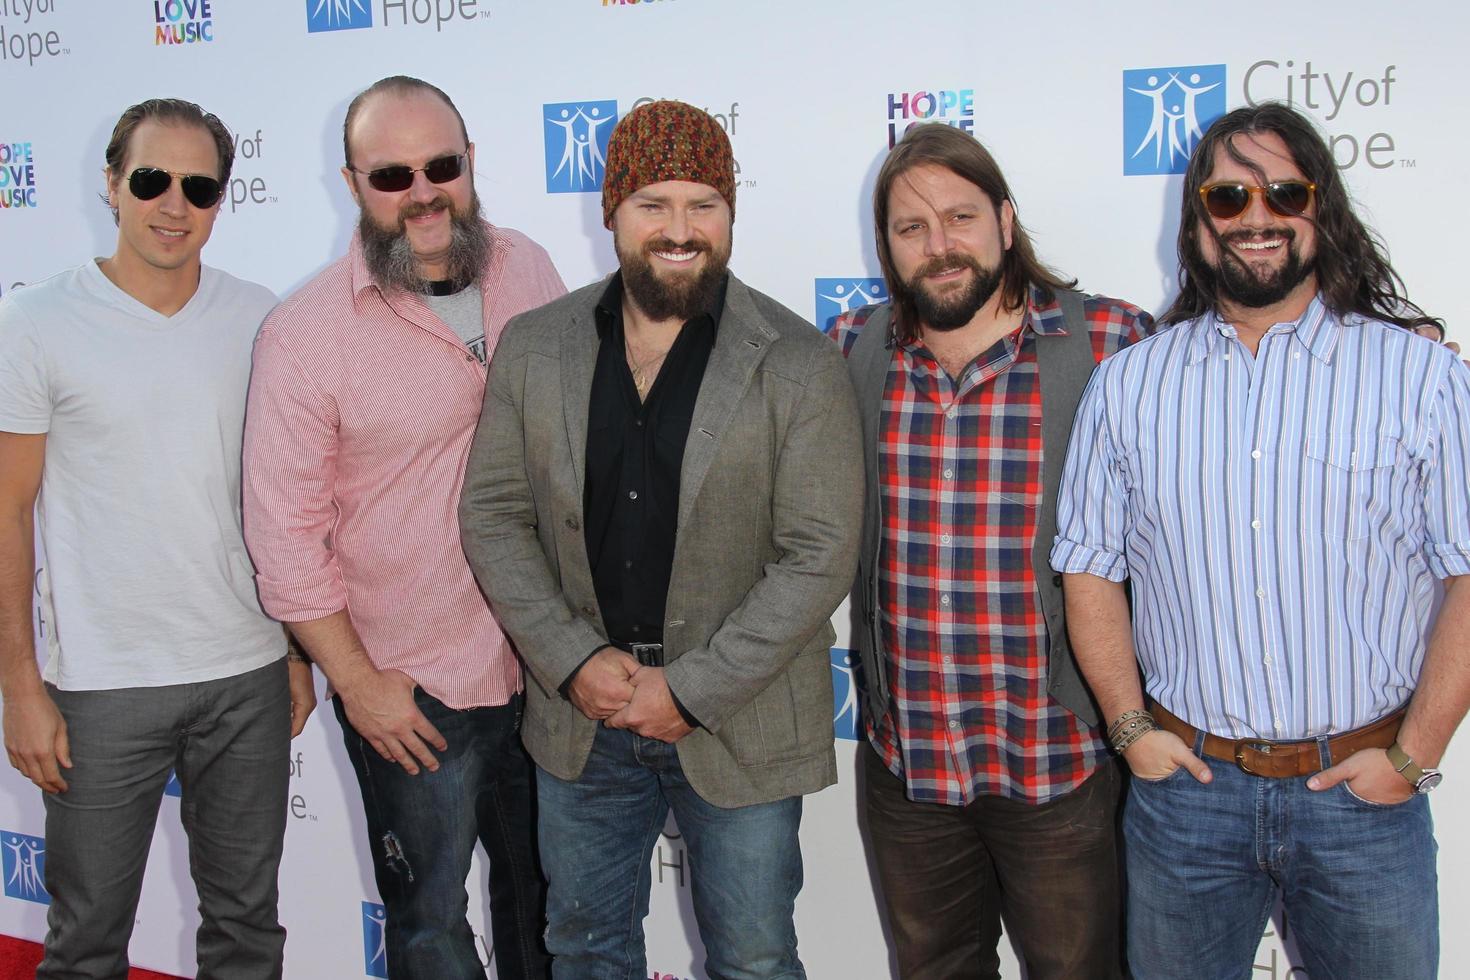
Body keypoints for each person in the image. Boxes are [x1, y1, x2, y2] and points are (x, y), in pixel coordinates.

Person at [1053, 101, 1470, 979]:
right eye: (1228, 195)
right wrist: (1130, 731)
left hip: (1366, 797)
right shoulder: (1129, 383)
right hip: (1187, 800)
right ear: (1198, 218)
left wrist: (1415, 757)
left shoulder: (1422, 378)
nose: (1256, 217)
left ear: (1321, 209)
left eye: (1284, 190)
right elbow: (1089, 568)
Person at [458, 99, 863, 980]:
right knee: (586, 951)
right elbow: (493, 514)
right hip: (582, 717)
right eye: (652, 204)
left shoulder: (798, 360)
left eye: (702, 205)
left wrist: (694, 688)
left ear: (730, 214)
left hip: (741, 716)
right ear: (611, 212)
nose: (679, 230)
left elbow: (821, 551)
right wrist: (571, 659)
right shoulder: (534, 348)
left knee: (754, 958)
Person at [241, 75, 565, 979]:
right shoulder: (304, 335)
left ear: (471, 165)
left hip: (545, 665)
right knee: (428, 927)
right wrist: (356, 682)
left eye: (442, 165)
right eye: (392, 175)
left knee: (551, 905)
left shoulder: (530, 268)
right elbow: (284, 539)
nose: (422, 192)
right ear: (352, 183)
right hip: (410, 689)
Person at [827, 122, 1151, 979]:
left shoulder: (1115, 342)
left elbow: (1239, 394)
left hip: (1060, 755)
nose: (941, 246)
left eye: (961, 217)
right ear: (887, 248)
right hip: (910, 762)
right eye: (911, 228)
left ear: (1007, 222)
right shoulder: (851, 351)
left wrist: (1383, 338)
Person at [0, 97, 311, 979]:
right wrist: (20, 686)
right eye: (151, 180)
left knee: (248, 929)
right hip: (100, 687)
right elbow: (6, 512)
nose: (174, 204)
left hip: (245, 674)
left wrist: (294, 651)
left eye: (199, 186)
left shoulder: (261, 318)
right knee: (88, 941)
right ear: (111, 184)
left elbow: (283, 498)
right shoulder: (34, 322)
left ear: (222, 199)